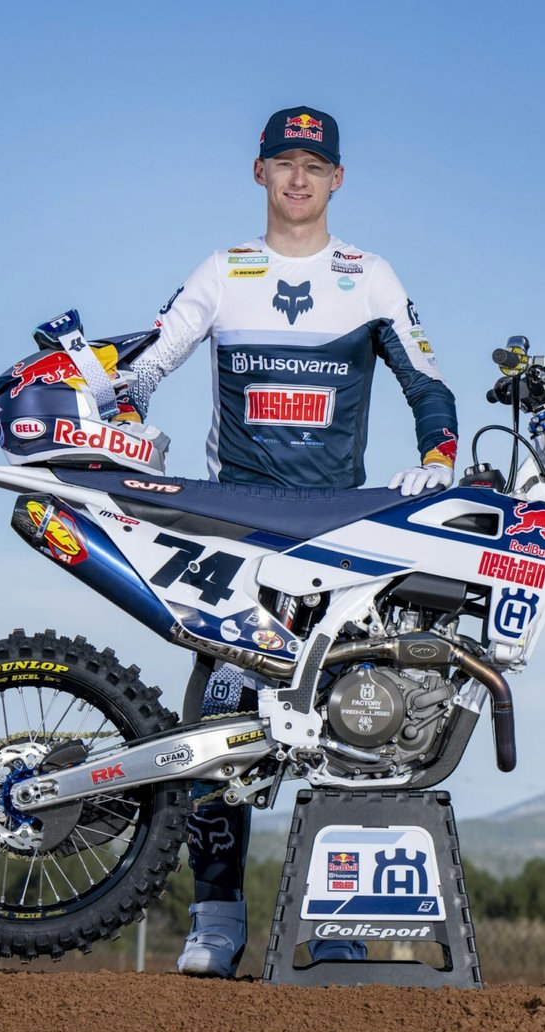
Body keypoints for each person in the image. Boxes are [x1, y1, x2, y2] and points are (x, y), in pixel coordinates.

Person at [118, 106, 459, 978]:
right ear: (259, 172)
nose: (298, 178)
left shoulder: (368, 276)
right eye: (283, 162)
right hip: (237, 532)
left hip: (339, 535)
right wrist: (126, 412)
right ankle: (215, 919)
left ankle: (339, 922)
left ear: (337, 178)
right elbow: (151, 357)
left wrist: (439, 456)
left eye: (314, 164)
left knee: (354, 725)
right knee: (222, 721)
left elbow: (426, 381)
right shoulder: (224, 270)